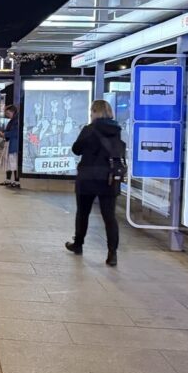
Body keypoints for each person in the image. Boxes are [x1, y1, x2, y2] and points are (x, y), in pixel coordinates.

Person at [66, 99, 123, 267]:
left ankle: (78, 244)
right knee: (109, 217)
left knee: (83, 213)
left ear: (95, 112)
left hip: (88, 176)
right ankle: (112, 254)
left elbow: (77, 149)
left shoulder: (89, 129)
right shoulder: (116, 129)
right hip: (109, 178)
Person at [0, 104, 21, 188]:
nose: (7, 115)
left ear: (12, 112)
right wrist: (4, 133)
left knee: (14, 162)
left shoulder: (16, 121)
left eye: (8, 113)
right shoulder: (13, 120)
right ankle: (8, 180)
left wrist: (4, 134)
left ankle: (16, 181)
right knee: (8, 162)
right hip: (10, 143)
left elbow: (15, 132)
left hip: (13, 144)